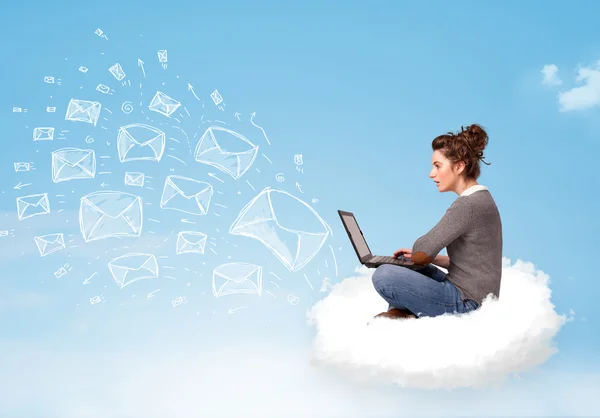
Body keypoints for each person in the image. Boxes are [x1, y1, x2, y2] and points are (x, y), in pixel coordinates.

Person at [371, 124, 502, 320]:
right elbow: (474, 264)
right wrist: (430, 258)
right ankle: (402, 315)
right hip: (473, 294)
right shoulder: (482, 198)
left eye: (438, 166)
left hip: (467, 303)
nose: (431, 174)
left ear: (459, 166)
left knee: (384, 275)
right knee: (405, 267)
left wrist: (421, 254)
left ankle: (403, 315)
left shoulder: (468, 204)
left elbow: (422, 251)